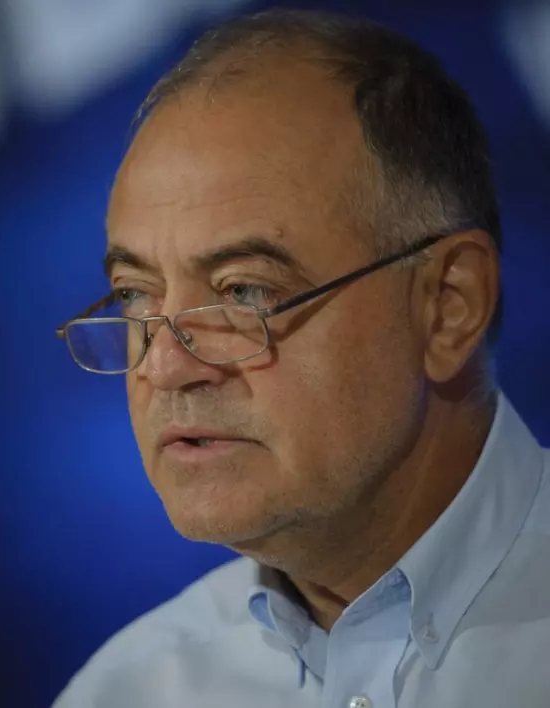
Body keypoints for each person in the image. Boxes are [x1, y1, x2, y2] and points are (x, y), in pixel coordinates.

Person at [52, 8, 550, 708]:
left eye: (244, 292)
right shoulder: (122, 693)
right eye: (135, 296)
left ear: (447, 304)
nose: (164, 368)